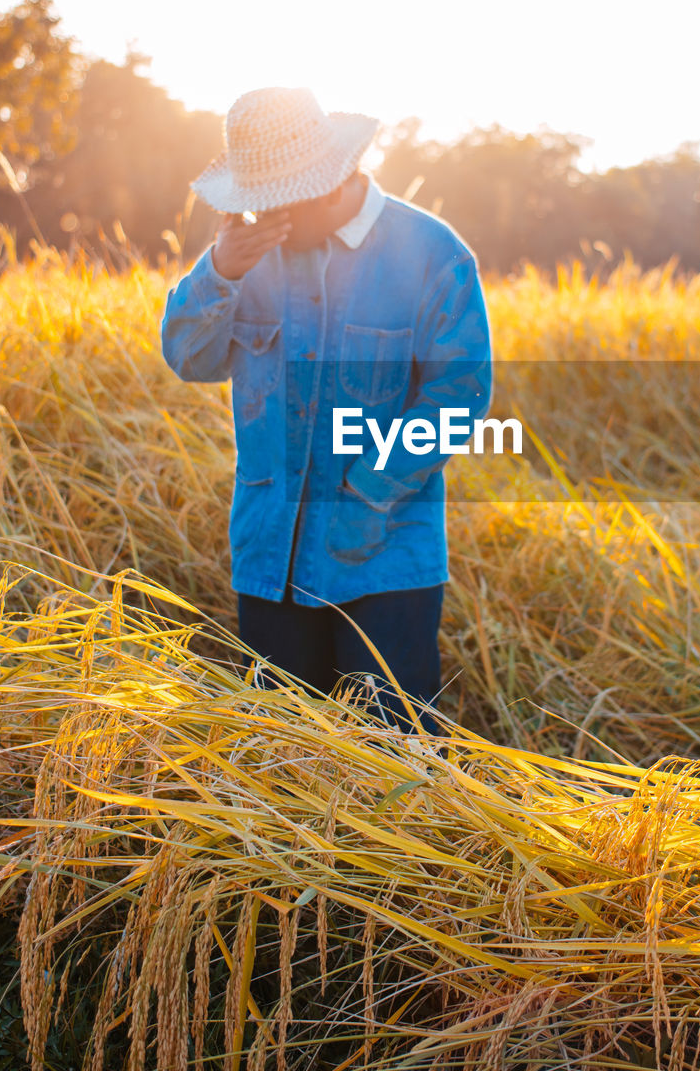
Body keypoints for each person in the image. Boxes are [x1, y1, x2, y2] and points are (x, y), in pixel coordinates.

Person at [160, 87, 491, 736]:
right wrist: (218, 273)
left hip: (385, 563)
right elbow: (189, 360)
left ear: (325, 182)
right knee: (280, 757)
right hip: (270, 558)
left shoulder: (431, 253)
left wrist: (367, 492)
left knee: (391, 754)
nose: (256, 215)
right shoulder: (245, 255)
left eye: (271, 199)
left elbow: (457, 397)